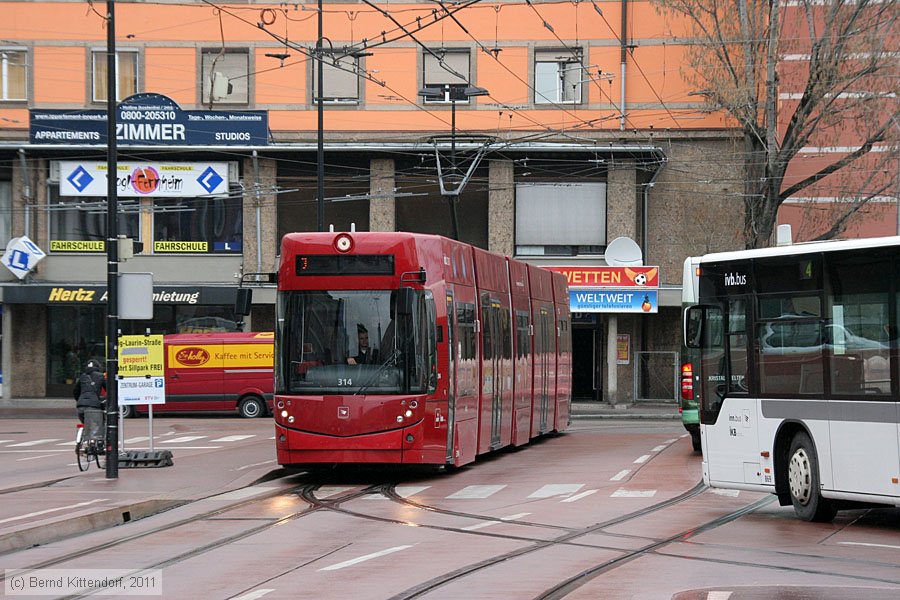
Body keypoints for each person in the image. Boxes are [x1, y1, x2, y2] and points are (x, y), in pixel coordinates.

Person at [73, 359, 107, 424]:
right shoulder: (100, 376)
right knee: (98, 425)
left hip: (81, 406)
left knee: (86, 425)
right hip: (94, 406)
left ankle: (84, 432)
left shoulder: (82, 376)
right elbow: (108, 390)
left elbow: (75, 391)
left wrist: (80, 400)